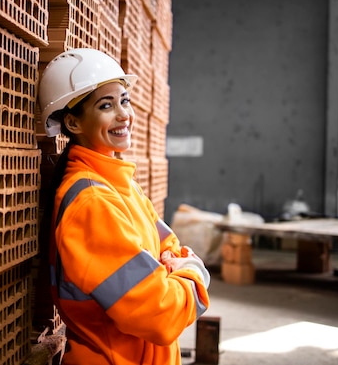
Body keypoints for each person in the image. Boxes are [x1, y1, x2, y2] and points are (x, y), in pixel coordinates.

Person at [38, 48, 210, 365]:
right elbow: (163, 314)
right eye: (106, 105)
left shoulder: (120, 184)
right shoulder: (92, 203)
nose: (124, 114)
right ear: (73, 122)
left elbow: (169, 245)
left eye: (124, 100)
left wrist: (173, 269)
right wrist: (193, 274)